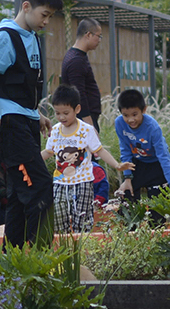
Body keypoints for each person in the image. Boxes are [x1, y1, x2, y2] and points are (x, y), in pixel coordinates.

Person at [0, 0, 63, 247]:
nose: (46, 21)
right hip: (10, 128)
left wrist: (36, 114)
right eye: (44, 14)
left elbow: (21, 85)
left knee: (18, 194)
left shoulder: (32, 38)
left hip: (25, 122)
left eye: (50, 16)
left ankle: (9, 261)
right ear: (26, 6)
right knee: (40, 189)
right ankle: (38, 255)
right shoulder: (6, 36)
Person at [44, 84, 126, 234]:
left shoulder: (86, 130)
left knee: (82, 221)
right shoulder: (55, 130)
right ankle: (64, 252)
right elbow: (48, 152)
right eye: (57, 113)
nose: (61, 117)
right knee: (58, 218)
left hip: (82, 183)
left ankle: (81, 253)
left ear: (77, 109)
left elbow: (100, 151)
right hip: (60, 183)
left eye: (66, 113)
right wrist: (30, 161)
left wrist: (117, 165)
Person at [114, 88, 170, 200]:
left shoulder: (152, 127)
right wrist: (127, 178)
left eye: (134, 114)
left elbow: (163, 155)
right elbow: (125, 151)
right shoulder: (119, 123)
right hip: (136, 163)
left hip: (155, 163)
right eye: (126, 115)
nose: (130, 119)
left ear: (144, 110)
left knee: (159, 204)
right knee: (128, 196)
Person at [59, 18, 105, 128]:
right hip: (83, 120)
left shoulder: (78, 56)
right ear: (88, 34)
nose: (99, 40)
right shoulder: (76, 60)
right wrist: (89, 124)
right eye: (99, 36)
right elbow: (79, 94)